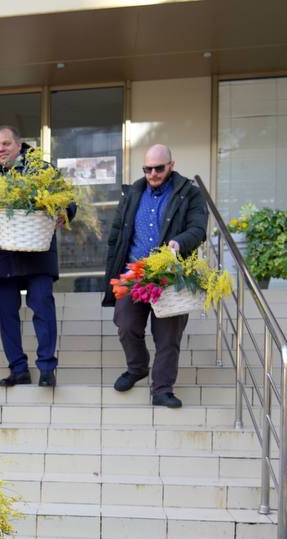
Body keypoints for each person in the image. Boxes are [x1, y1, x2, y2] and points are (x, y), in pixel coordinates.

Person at [102, 143, 207, 408]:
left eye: (158, 168)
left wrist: (180, 242)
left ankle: (162, 389)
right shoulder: (133, 192)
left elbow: (198, 228)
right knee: (125, 324)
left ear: (171, 165)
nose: (152, 174)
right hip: (134, 271)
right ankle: (137, 368)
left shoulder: (189, 194)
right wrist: (113, 265)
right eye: (147, 169)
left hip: (169, 274)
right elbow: (117, 233)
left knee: (168, 336)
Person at [0, 126, 75, 389]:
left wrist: (64, 212)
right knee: (7, 316)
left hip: (38, 254)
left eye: (6, 144)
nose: (1, 149)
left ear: (19, 145)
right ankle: (18, 368)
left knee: (43, 308)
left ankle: (46, 368)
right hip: (1, 258)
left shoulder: (42, 170)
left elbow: (68, 201)